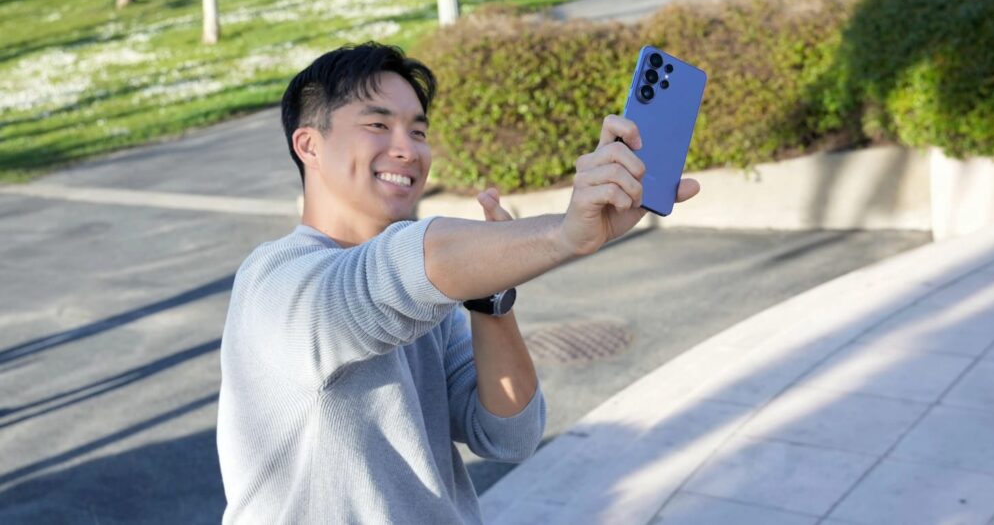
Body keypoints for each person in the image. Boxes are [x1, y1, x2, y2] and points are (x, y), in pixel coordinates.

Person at [215, 42, 700, 523]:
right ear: (309, 145)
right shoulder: (274, 281)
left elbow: (509, 434)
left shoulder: (429, 295)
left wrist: (491, 297)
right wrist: (564, 233)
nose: (407, 149)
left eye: (418, 130)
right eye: (378, 125)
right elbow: (394, 268)